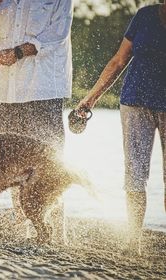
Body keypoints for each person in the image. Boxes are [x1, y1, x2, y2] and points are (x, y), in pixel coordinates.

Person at [0, 0, 74, 243]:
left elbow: (57, 36)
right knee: (11, 162)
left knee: (50, 163)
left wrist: (17, 52)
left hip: (42, 89)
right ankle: (22, 228)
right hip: (5, 90)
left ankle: (57, 233)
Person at [76, 2, 166, 253]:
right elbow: (118, 61)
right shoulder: (145, 15)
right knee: (135, 175)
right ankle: (133, 241)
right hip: (135, 102)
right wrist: (89, 99)